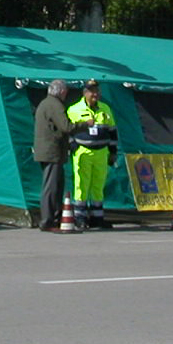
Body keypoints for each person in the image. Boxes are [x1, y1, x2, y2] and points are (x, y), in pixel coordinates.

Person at [33, 79, 86, 232]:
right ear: (62, 91)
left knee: (55, 185)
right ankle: (47, 220)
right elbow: (66, 126)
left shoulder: (45, 103)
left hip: (48, 151)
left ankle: (54, 218)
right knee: (51, 187)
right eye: (66, 92)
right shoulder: (55, 105)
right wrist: (84, 124)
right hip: (52, 152)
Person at [66, 79, 117, 229]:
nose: (96, 94)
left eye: (97, 91)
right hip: (83, 152)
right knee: (81, 185)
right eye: (92, 91)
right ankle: (80, 217)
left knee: (98, 185)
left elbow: (112, 131)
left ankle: (97, 218)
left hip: (101, 152)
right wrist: (73, 146)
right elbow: (67, 130)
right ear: (85, 93)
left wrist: (113, 151)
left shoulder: (105, 109)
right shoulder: (74, 109)